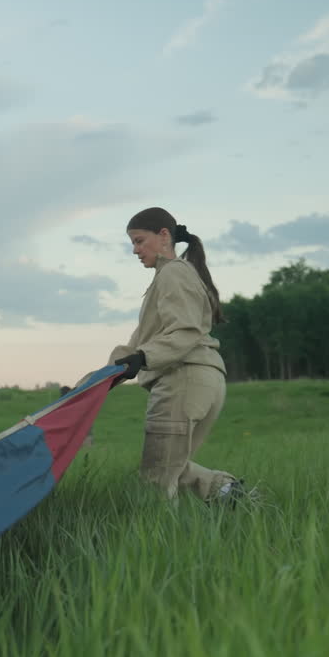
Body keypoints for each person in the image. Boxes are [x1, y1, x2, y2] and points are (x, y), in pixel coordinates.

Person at [107, 207, 249, 503]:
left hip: (182, 379)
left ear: (163, 236)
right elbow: (135, 347)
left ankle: (160, 542)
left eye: (139, 240)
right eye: (131, 243)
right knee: (173, 467)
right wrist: (87, 386)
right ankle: (228, 493)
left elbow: (184, 331)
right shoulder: (169, 277)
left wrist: (144, 359)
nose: (134, 250)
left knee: (156, 480)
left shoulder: (173, 273)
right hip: (200, 380)